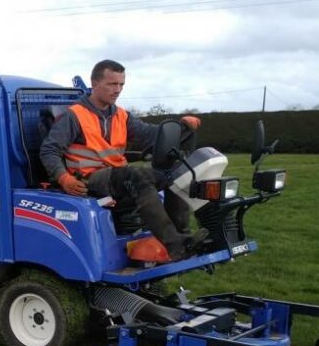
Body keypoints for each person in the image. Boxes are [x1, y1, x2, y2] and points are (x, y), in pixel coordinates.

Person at [39, 59, 205, 261]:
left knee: (175, 173)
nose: (117, 90)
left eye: (121, 85)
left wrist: (181, 127)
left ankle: (183, 237)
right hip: (90, 179)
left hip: (118, 176)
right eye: (112, 84)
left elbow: (153, 135)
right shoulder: (74, 116)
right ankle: (174, 244)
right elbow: (49, 150)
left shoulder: (121, 115)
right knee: (136, 175)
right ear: (95, 83)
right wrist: (64, 178)